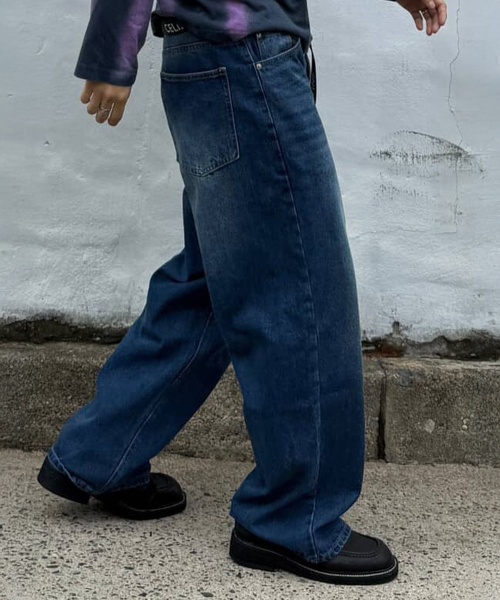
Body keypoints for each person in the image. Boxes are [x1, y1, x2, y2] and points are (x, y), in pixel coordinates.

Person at [37, 0, 447, 586]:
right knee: (300, 286)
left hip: (216, 61)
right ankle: (292, 517)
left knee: (210, 285)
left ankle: (97, 454)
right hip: (243, 59)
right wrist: (111, 51)